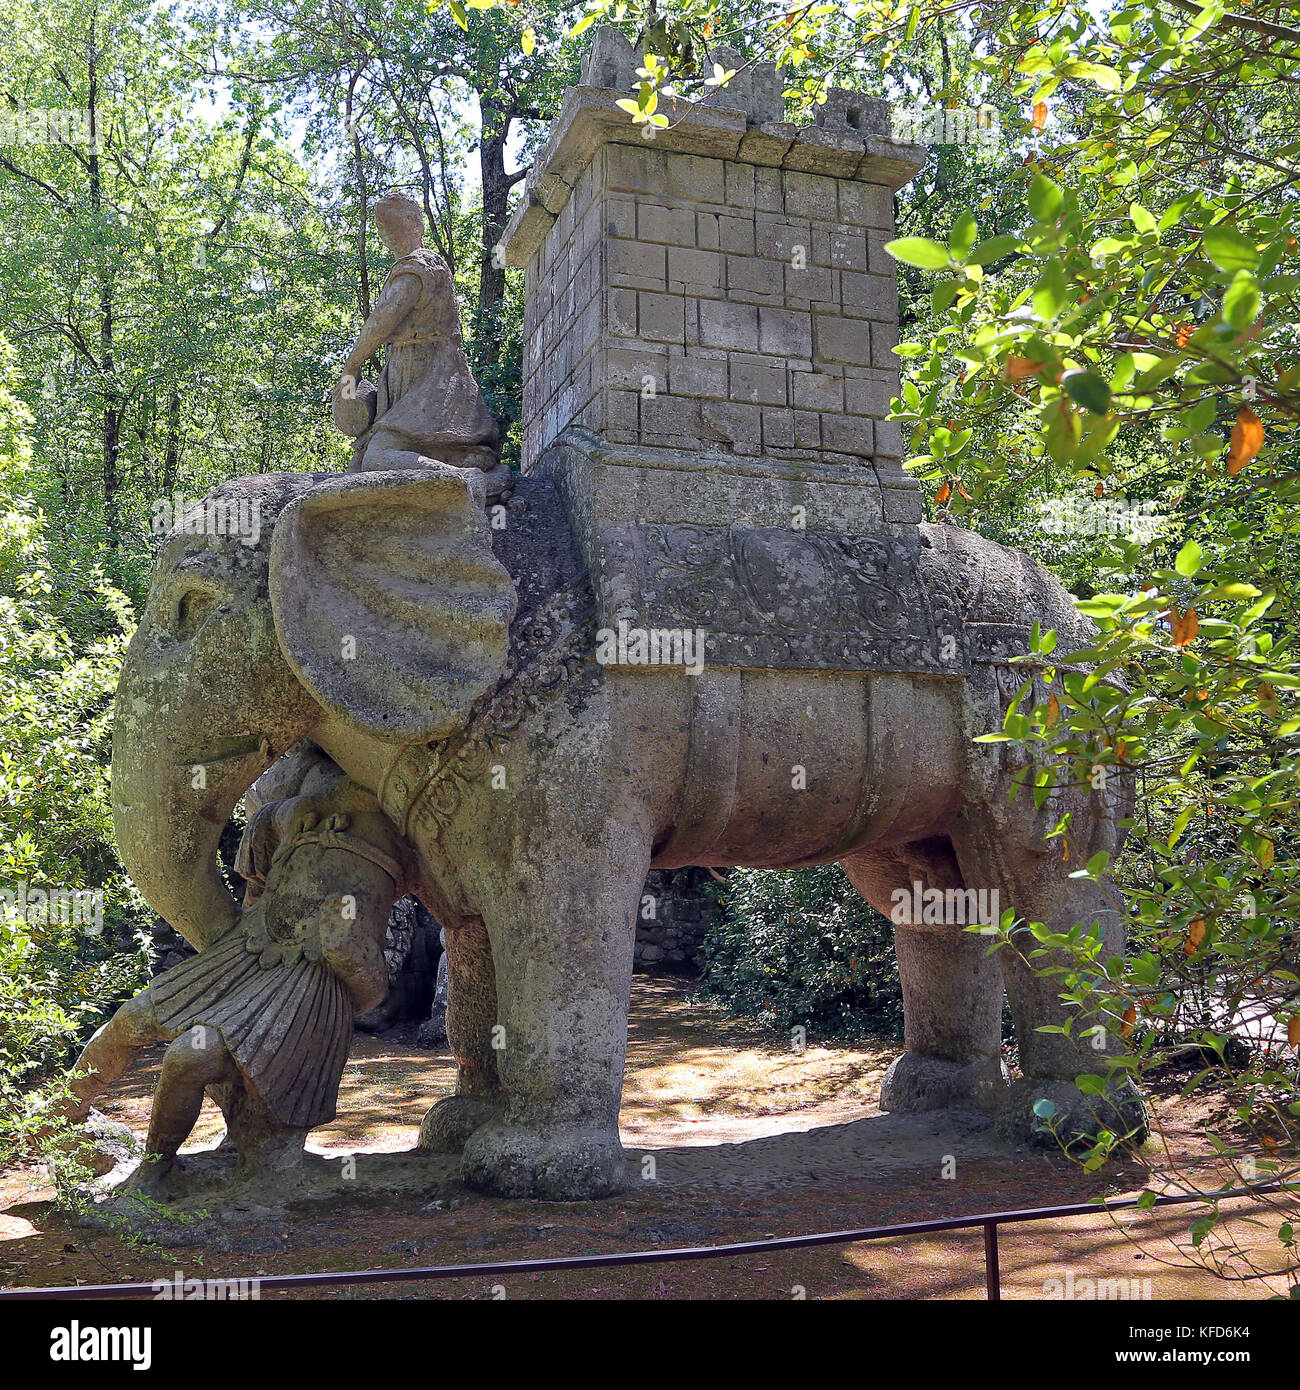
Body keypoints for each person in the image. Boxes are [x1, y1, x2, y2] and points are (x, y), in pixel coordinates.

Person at [64, 747, 413, 1189]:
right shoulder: (307, 772)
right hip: (249, 944)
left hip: (305, 979)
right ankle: (60, 1115)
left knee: (188, 1057)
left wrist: (346, 974)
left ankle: (156, 1168)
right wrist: (284, 818)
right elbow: (259, 865)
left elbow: (366, 970)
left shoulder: (412, 795)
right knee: (131, 1020)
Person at [334, 191, 509, 498]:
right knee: (365, 458)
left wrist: (352, 364)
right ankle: (459, 468)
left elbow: (383, 319)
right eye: (382, 227)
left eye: (394, 223)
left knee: (377, 456)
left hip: (433, 378)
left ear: (417, 224)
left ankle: (466, 479)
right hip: (409, 374)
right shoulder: (410, 267)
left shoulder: (420, 265)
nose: (388, 232)